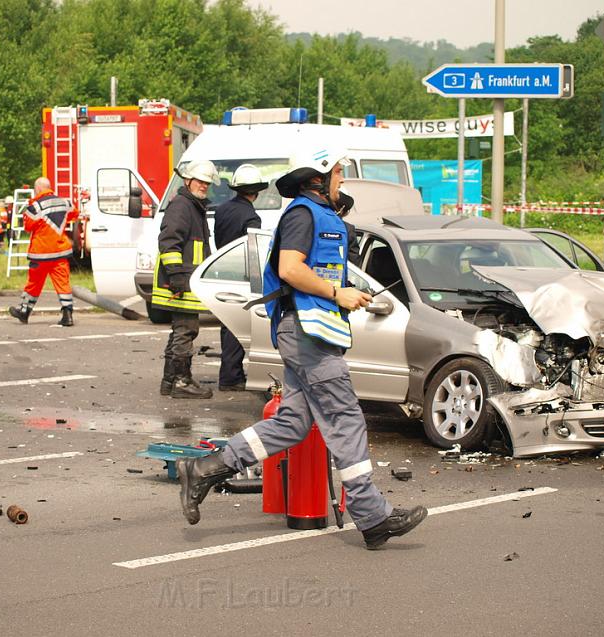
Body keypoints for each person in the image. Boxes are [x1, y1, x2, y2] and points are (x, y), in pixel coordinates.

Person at [175, 147, 427, 549]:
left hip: (311, 331)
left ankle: (205, 467)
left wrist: (345, 293)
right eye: (339, 175)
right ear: (318, 179)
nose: (343, 182)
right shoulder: (303, 214)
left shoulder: (319, 215)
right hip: (306, 333)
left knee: (292, 424)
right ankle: (372, 515)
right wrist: (335, 293)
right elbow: (291, 269)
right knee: (345, 418)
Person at [152, 159, 218, 399]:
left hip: (186, 279)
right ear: (188, 180)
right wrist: (177, 278)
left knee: (180, 330)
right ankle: (182, 382)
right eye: (200, 181)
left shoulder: (192, 205)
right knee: (186, 331)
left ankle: (169, 382)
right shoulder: (182, 205)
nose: (204, 186)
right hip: (181, 281)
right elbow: (169, 243)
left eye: (207, 183)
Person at [212, 164, 268, 391]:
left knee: (227, 325)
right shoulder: (252, 217)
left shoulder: (222, 209)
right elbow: (252, 251)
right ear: (256, 191)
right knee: (238, 326)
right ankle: (231, 377)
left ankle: (230, 373)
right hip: (241, 275)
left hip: (222, 271)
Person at [7, 177, 78, 326]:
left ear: (38, 189)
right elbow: (74, 214)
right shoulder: (65, 203)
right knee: (63, 284)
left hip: (41, 253)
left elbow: (28, 226)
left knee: (34, 284)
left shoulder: (35, 207)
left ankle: (24, 312)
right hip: (60, 252)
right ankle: (67, 315)